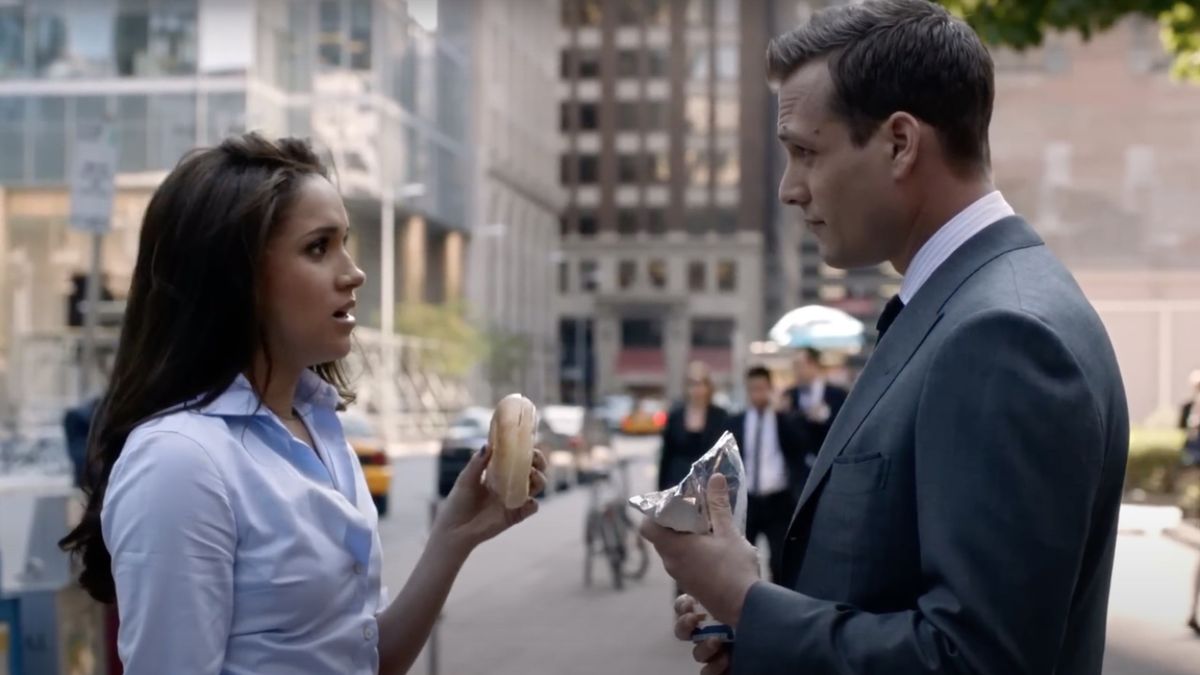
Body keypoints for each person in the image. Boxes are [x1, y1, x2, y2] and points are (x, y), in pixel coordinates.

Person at [641, 2, 1129, 673]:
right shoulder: (962, 304)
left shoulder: (1001, 333)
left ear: (900, 143)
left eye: (806, 152)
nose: (789, 188)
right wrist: (763, 629)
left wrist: (745, 598)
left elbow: (976, 659)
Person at [57, 133, 547, 675]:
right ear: (236, 279)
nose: (353, 272)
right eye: (318, 247)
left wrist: (454, 537)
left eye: (345, 242)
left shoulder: (319, 430)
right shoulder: (180, 461)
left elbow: (360, 660)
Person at [727, 366, 809, 583]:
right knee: (743, 562)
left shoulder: (784, 420)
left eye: (762, 388)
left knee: (779, 560)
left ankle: (779, 608)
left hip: (779, 500)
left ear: (770, 389)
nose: (758, 394)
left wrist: (784, 413)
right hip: (748, 501)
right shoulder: (737, 422)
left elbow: (802, 445)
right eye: (753, 389)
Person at [657, 361, 729, 492]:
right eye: (692, 383)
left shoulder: (720, 416)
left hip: (708, 486)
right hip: (677, 484)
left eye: (701, 383)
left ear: (708, 386)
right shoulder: (675, 416)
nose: (696, 389)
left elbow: (724, 457)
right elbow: (666, 456)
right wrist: (661, 490)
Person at [781, 347, 848, 453]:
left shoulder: (837, 394)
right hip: (800, 462)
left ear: (813, 364)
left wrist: (824, 416)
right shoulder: (789, 395)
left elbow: (843, 427)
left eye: (799, 365)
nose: (795, 370)